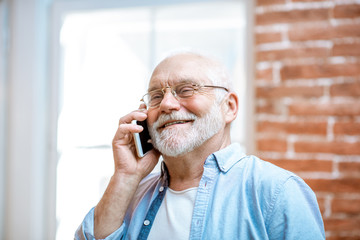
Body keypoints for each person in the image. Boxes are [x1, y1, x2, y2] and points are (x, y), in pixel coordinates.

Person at [75, 52, 325, 240]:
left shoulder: (277, 192)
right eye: (156, 96)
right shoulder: (130, 194)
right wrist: (125, 176)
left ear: (229, 107)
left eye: (186, 90)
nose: (167, 105)